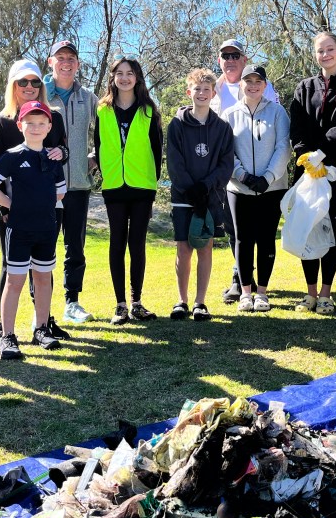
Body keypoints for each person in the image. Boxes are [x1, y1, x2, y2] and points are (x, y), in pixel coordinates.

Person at [0, 59, 69, 358]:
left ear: (48, 125)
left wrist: (46, 202)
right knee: (12, 274)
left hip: (45, 222)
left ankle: (42, 327)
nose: (30, 87)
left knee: (43, 275)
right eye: (23, 82)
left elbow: (61, 163)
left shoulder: (54, 121)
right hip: (14, 220)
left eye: (35, 82)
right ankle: (6, 333)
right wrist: (9, 205)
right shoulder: (2, 124)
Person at [289, 31, 336, 314]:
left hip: (334, 173)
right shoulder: (304, 88)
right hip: (308, 173)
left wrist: (323, 155)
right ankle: (309, 293)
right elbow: (297, 127)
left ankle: (326, 294)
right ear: (315, 54)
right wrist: (306, 157)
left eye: (330, 49)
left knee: (328, 229)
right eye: (320, 51)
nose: (325, 55)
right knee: (307, 229)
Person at [94, 56, 163, 325]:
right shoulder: (103, 110)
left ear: (137, 77)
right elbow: (99, 145)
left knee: (137, 244)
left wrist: (152, 181)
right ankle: (120, 305)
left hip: (142, 186)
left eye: (130, 73)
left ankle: (136, 302)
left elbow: (157, 149)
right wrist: (106, 172)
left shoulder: (149, 110)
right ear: (113, 77)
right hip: (114, 186)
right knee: (116, 243)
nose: (124, 78)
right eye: (119, 73)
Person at [210, 39, 279, 304]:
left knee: (255, 232)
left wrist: (265, 175)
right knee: (233, 229)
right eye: (225, 55)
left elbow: (271, 128)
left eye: (235, 55)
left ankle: (242, 281)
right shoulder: (213, 88)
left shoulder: (264, 87)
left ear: (244, 58)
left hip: (260, 176)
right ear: (220, 60)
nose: (230, 60)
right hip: (224, 170)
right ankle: (240, 275)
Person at [167, 68, 235, 321]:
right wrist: (190, 189)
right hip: (183, 196)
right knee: (184, 249)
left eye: (207, 89)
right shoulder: (176, 124)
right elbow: (174, 163)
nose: (202, 93)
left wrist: (205, 187)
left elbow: (225, 164)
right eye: (197, 89)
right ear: (189, 92)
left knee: (205, 247)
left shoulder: (222, 128)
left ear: (213, 93)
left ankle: (200, 302)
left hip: (210, 197)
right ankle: (182, 301)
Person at [221, 65, 289, 313]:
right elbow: (226, 151)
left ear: (265, 85)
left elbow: (283, 147)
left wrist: (268, 177)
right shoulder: (229, 114)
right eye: (247, 80)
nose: (252, 85)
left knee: (266, 239)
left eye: (258, 81)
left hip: (271, 189)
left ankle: (262, 293)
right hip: (239, 189)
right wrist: (242, 175)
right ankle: (245, 293)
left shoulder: (278, 112)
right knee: (243, 239)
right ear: (241, 84)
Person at [43, 39, 99, 324]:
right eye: (60, 57)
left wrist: (93, 157)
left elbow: (104, 135)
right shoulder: (37, 94)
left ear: (77, 64)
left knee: (75, 247)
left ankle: (72, 302)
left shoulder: (88, 97)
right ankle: (41, 309)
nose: (66, 62)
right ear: (50, 61)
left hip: (78, 185)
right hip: (44, 188)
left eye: (71, 58)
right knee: (43, 248)